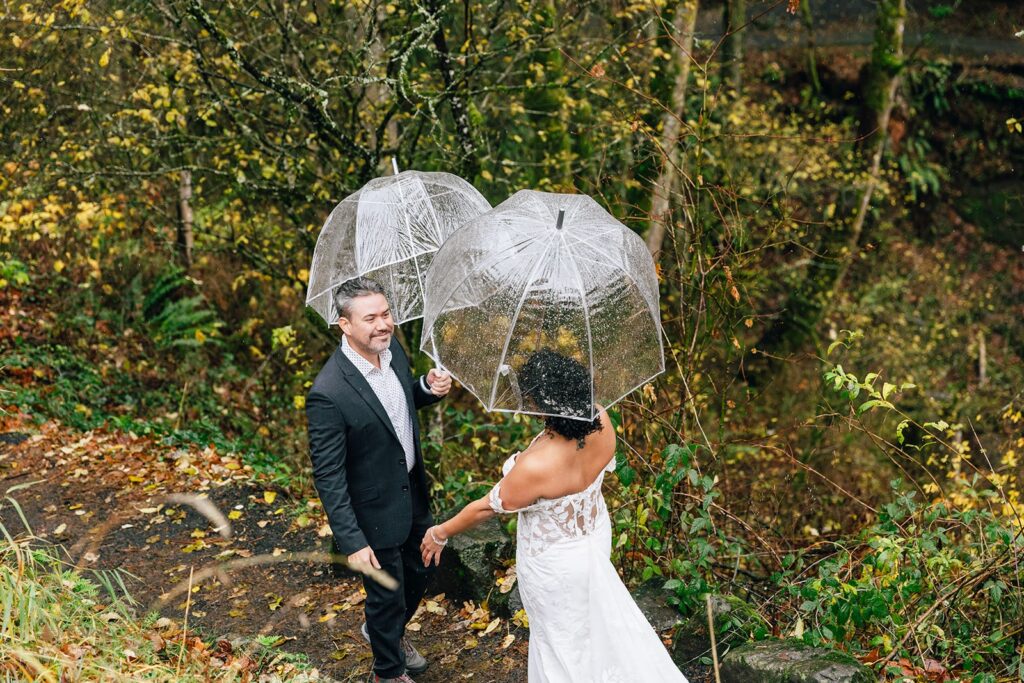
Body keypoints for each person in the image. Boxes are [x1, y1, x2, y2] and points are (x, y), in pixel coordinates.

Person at [420, 349, 688, 682]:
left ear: (539, 402)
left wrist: (440, 532)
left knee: (559, 642)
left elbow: (485, 507)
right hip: (593, 538)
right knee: (589, 633)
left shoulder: (536, 466)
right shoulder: (601, 421)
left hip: (555, 564)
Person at [306, 277, 452, 683]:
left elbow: (397, 404)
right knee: (386, 595)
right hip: (371, 508)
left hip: (412, 491)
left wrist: (426, 388)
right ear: (344, 325)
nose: (382, 324)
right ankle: (387, 672)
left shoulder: (393, 353)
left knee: (423, 568)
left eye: (385, 314)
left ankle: (385, 633)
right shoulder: (328, 392)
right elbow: (329, 475)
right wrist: (352, 541)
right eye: (370, 318)